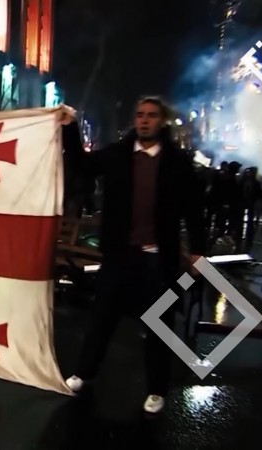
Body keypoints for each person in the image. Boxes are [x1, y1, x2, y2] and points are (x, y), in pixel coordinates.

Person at [59, 97, 207, 414]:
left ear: (161, 121)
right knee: (102, 319)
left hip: (158, 259)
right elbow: (82, 164)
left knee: (158, 326)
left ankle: (156, 390)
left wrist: (198, 251)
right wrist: (70, 128)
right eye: (140, 115)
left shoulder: (177, 162)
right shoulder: (119, 155)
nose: (144, 120)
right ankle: (84, 374)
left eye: (151, 115)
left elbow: (194, 208)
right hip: (119, 255)